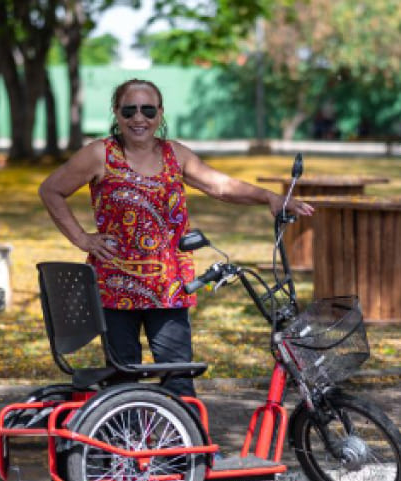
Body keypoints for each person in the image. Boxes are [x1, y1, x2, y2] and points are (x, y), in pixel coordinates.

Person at [39, 78, 314, 398]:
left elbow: (220, 186)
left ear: (160, 113)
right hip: (114, 285)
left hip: (169, 286)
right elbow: (51, 190)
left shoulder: (175, 155)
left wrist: (269, 197)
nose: (138, 118)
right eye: (129, 110)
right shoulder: (100, 154)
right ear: (116, 113)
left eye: (147, 110)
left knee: (178, 375)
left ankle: (183, 448)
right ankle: (126, 447)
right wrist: (81, 239)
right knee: (122, 378)